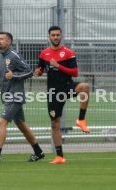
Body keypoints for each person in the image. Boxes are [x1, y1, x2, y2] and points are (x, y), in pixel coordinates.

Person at [0, 32, 44, 163]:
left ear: (9, 42)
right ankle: (38, 152)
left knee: (1, 122)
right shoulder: (0, 56)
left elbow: (28, 71)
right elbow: (0, 77)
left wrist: (13, 76)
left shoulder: (14, 55)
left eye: (1, 39)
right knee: (22, 126)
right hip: (7, 95)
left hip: (15, 96)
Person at [34, 26, 90, 164]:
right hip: (53, 92)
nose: (55, 37)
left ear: (61, 36)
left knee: (85, 87)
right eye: (53, 35)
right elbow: (41, 68)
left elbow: (75, 72)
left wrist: (59, 66)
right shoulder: (44, 54)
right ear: (49, 37)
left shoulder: (68, 53)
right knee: (55, 123)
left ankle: (81, 120)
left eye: (58, 35)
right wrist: (39, 72)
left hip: (67, 87)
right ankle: (59, 156)